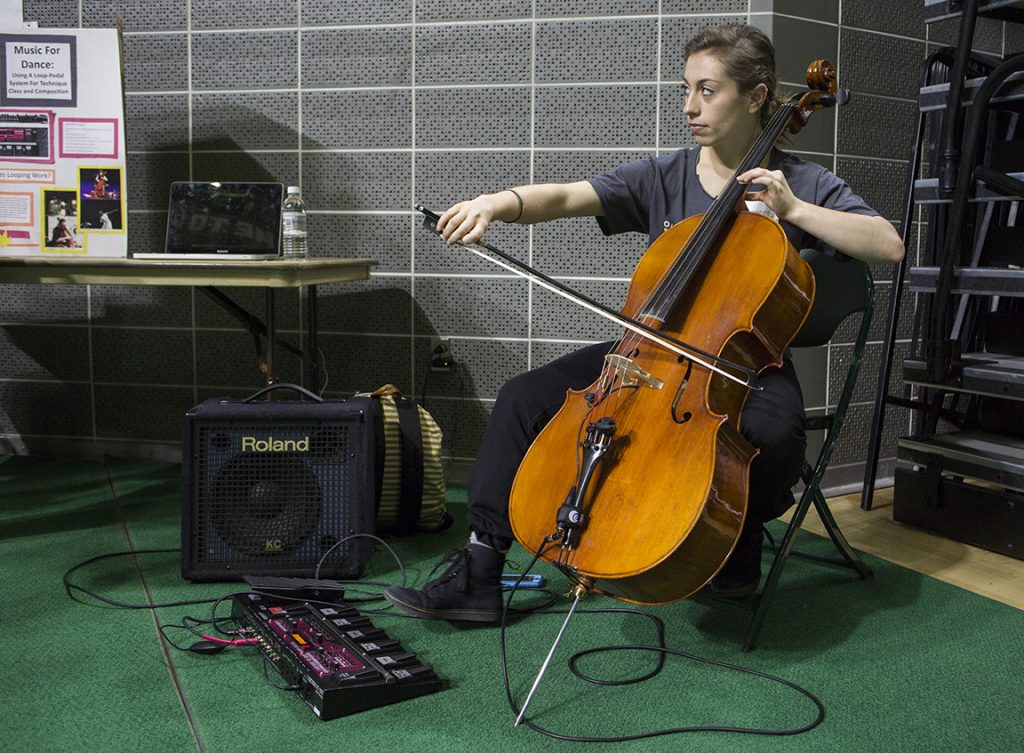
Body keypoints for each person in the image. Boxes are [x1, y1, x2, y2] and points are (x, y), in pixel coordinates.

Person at [385, 24, 904, 622]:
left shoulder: (802, 182)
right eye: (686, 89)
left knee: (773, 432)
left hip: (740, 362)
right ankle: (479, 571)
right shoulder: (663, 175)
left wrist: (792, 210)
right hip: (647, 348)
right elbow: (563, 196)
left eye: (707, 91)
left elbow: (886, 244)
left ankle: (730, 544)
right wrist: (493, 205)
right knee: (524, 397)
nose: (689, 107)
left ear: (758, 96)